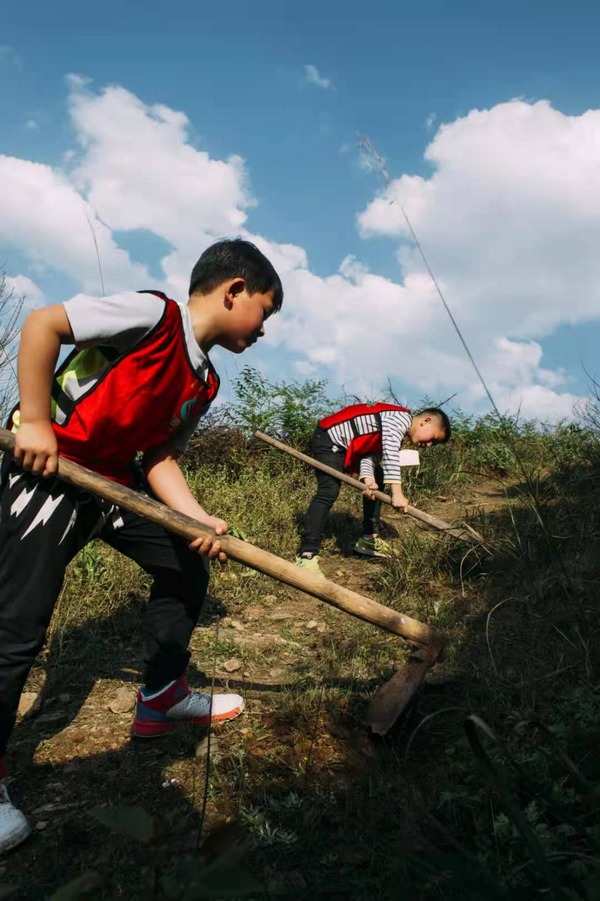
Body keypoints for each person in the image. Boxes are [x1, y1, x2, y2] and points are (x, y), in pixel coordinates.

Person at [0, 239, 283, 853]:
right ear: (234, 290)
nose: (264, 330)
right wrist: (37, 419)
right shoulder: (154, 315)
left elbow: (158, 458)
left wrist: (197, 520)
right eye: (265, 311)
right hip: (52, 473)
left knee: (185, 562)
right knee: (16, 630)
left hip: (111, 486)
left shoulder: (203, 381)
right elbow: (43, 323)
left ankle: (160, 694)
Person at [296, 403, 450, 573]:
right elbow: (390, 453)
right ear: (426, 421)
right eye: (433, 439)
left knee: (379, 475)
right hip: (330, 440)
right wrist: (397, 493)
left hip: (350, 447)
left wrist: (368, 478)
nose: (429, 446)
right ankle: (307, 554)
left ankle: (368, 539)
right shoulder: (400, 418)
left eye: (434, 445)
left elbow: (370, 454)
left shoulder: (397, 428)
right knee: (328, 491)